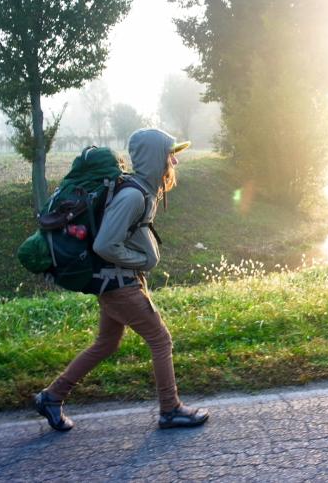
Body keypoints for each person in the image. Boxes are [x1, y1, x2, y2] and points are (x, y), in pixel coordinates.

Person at [34, 128, 209, 431]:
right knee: (160, 339)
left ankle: (52, 396)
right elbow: (104, 244)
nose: (174, 163)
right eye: (171, 155)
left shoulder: (140, 190)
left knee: (107, 342)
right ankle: (170, 409)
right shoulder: (132, 196)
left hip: (115, 281)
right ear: (156, 157)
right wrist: (141, 261)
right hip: (118, 284)